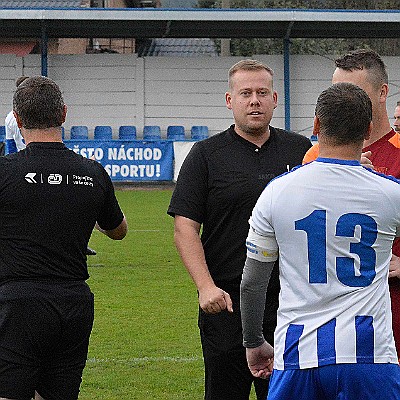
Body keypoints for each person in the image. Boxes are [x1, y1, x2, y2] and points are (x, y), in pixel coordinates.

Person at [241, 82, 400, 400]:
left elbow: (252, 283)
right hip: (370, 357)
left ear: (315, 125)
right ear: (368, 130)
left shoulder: (277, 191)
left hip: (299, 356)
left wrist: (253, 340)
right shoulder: (391, 192)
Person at [167, 59, 312, 400]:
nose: (254, 101)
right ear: (229, 100)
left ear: (275, 99)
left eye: (262, 93)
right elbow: (185, 228)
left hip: (289, 302)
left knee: (284, 394)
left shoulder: (302, 150)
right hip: (226, 302)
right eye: (245, 93)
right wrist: (205, 288)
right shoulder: (206, 155)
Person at [0, 76, 128, 400]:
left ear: (16, 119)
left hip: (19, 304)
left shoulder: (5, 171)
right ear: (64, 114)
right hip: (74, 303)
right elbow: (118, 230)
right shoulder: (92, 172)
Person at [303, 49, 400, 359]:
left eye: (354, 91)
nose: (344, 99)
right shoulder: (314, 158)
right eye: (336, 91)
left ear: (383, 92)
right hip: (332, 322)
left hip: (393, 317)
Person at [4, 75, 98, 256]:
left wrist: (11, 166)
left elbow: (9, 143)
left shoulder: (10, 118)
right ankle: (74, 243)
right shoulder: (15, 117)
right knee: (62, 203)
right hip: (38, 158)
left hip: (23, 162)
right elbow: (119, 230)